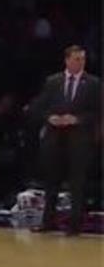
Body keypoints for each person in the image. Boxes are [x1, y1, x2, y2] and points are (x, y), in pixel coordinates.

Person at [29, 45, 99, 236]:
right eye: (76, 59)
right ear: (67, 60)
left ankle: (74, 225)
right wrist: (49, 118)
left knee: (77, 183)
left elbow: (97, 112)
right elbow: (38, 107)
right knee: (51, 182)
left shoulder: (93, 83)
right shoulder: (53, 81)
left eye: (82, 59)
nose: (80, 62)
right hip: (54, 138)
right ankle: (47, 222)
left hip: (79, 140)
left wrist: (77, 119)